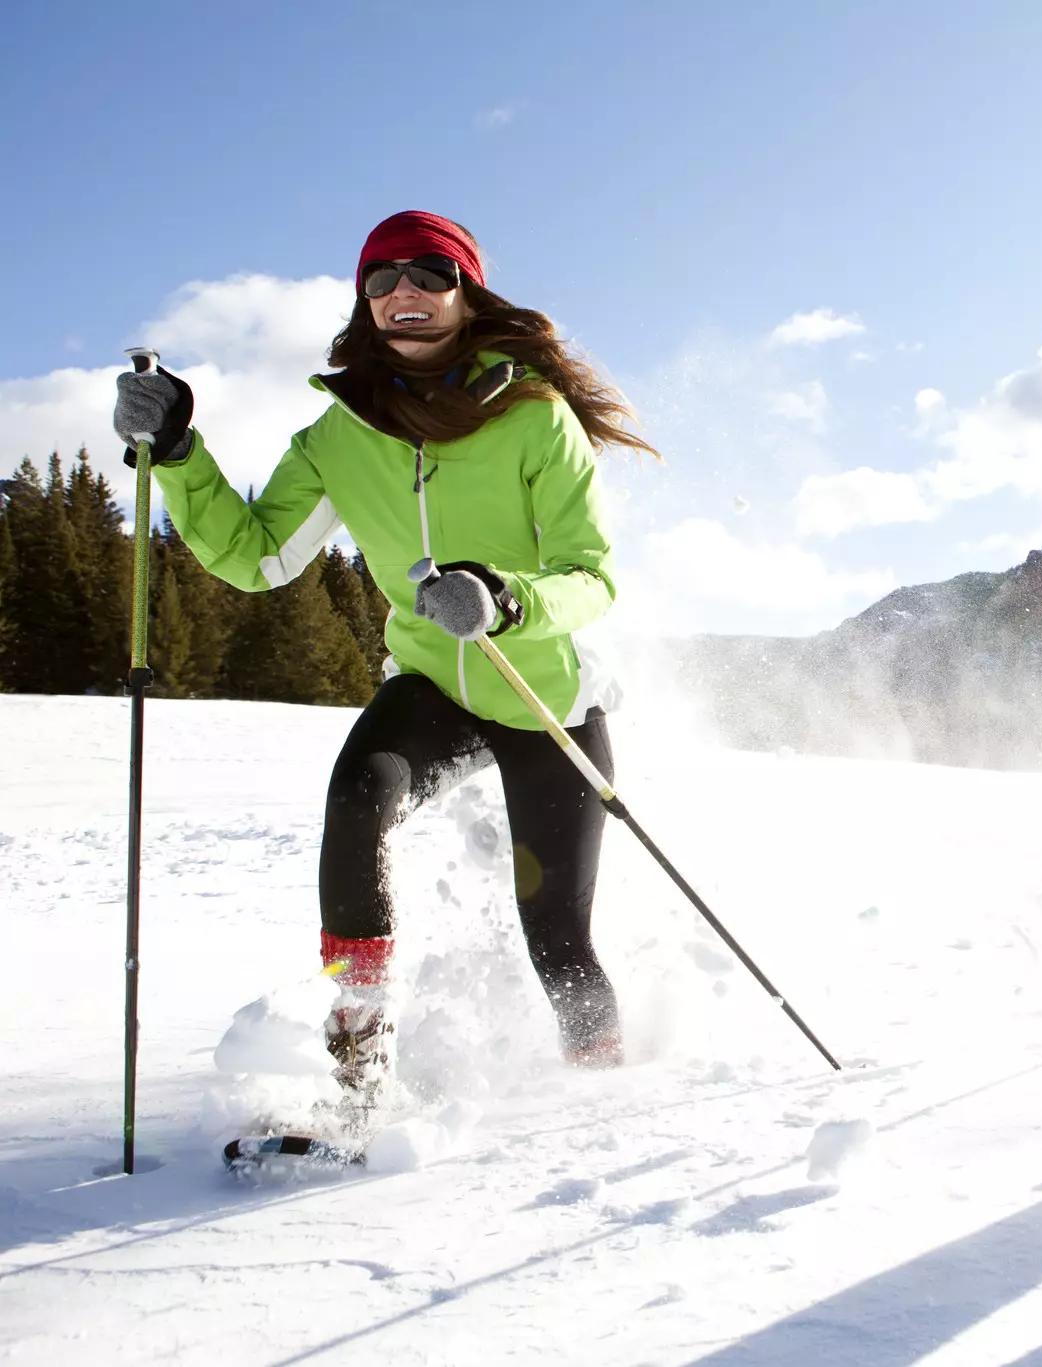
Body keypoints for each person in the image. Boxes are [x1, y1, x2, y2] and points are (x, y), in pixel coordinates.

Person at [113, 210, 660, 1092]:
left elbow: (590, 576)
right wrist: (177, 450)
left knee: (557, 935)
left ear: (465, 292)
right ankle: (358, 1070)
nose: (404, 291)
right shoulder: (340, 434)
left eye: (429, 273)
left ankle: (600, 1087)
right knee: (359, 793)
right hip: (432, 681)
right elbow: (257, 556)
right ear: (364, 300)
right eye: (381, 278)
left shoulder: (534, 416)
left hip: (543, 691)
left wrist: (506, 596)